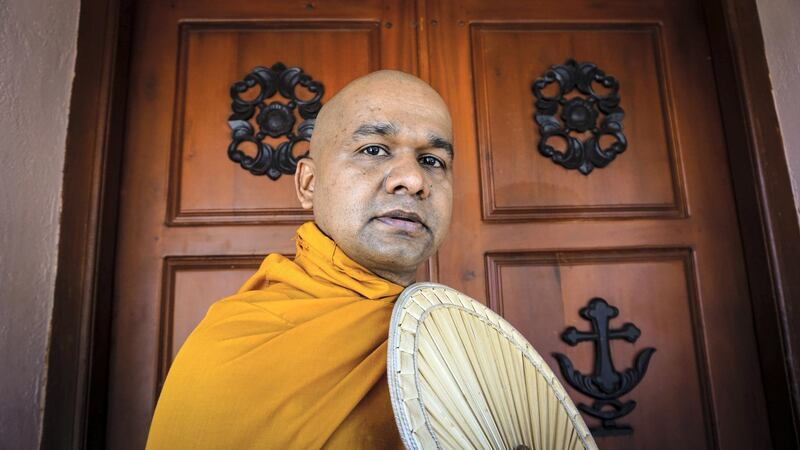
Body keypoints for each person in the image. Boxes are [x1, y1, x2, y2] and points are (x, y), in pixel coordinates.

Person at [146, 70, 454, 449]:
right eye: (373, 149)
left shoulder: (456, 339)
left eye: (432, 160)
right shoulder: (239, 349)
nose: (413, 179)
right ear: (308, 184)